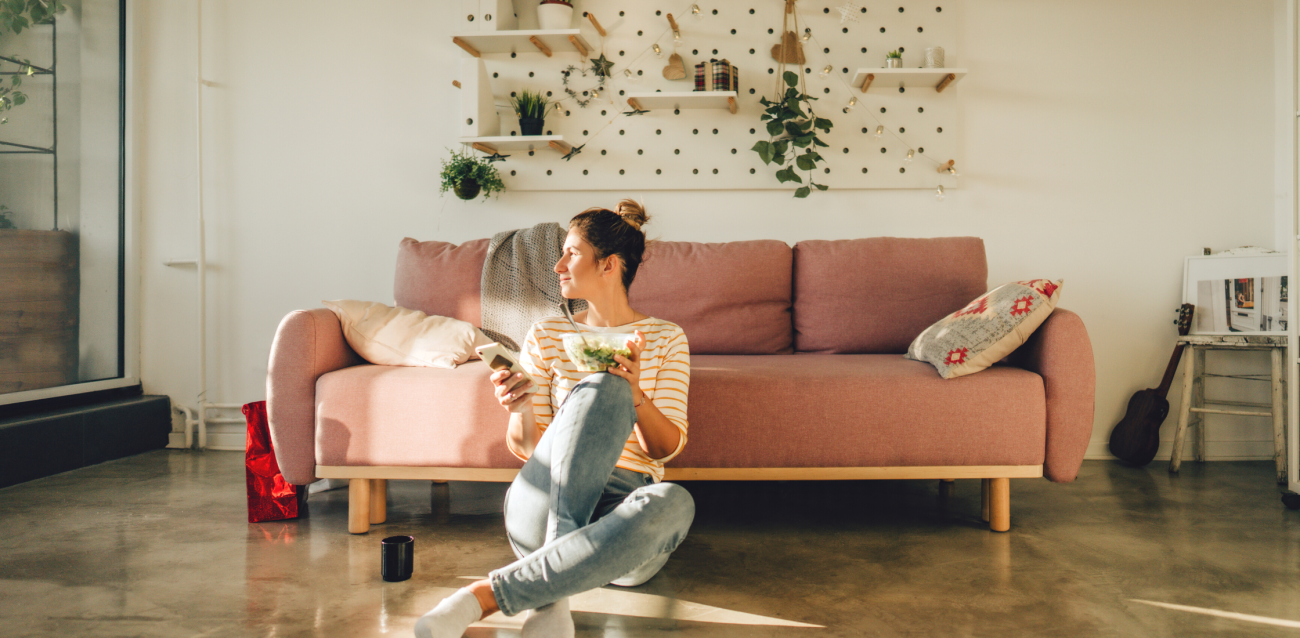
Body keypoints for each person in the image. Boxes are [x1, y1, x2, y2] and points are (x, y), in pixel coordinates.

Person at [415, 200, 695, 638]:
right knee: (601, 387)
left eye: (572, 253)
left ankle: (496, 595)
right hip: (543, 501)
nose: (559, 264)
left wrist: (635, 393)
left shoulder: (664, 338)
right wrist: (519, 408)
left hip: (619, 519)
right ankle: (553, 579)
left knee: (675, 502)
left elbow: (665, 449)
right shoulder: (547, 334)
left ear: (609, 265)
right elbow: (531, 451)